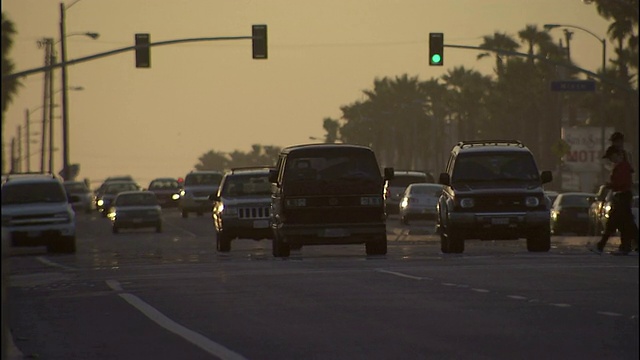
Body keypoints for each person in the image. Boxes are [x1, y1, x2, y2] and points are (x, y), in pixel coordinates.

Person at [589, 146, 638, 255]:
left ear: (616, 155)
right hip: (621, 196)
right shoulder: (621, 166)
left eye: (611, 157)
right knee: (626, 224)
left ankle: (601, 246)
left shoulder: (623, 167)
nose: (611, 160)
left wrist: (610, 185)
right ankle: (624, 246)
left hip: (623, 197)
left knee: (615, 222)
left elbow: (622, 183)